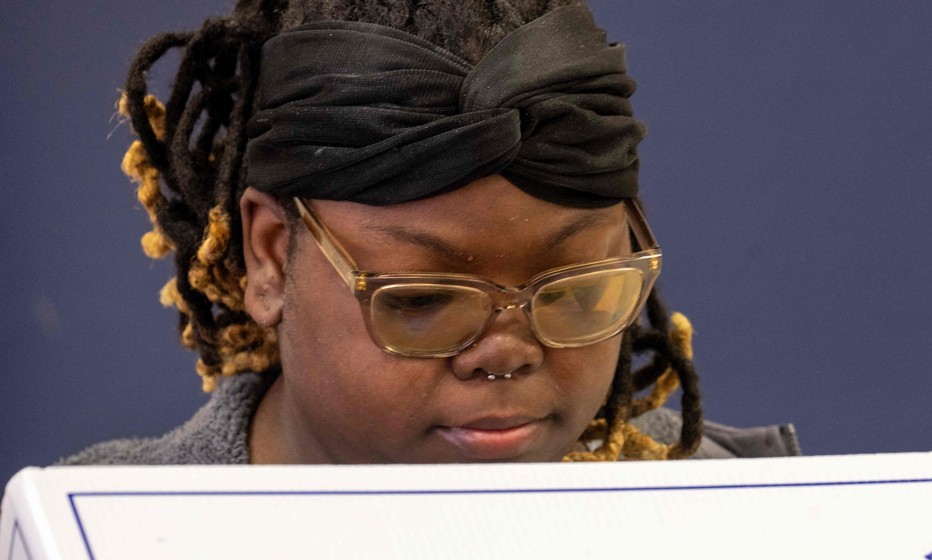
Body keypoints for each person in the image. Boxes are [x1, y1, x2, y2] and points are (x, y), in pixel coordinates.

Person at [62, 0, 799, 466]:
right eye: (420, 300)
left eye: (578, 291)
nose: (506, 355)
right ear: (268, 257)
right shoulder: (97, 555)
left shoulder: (752, 523)